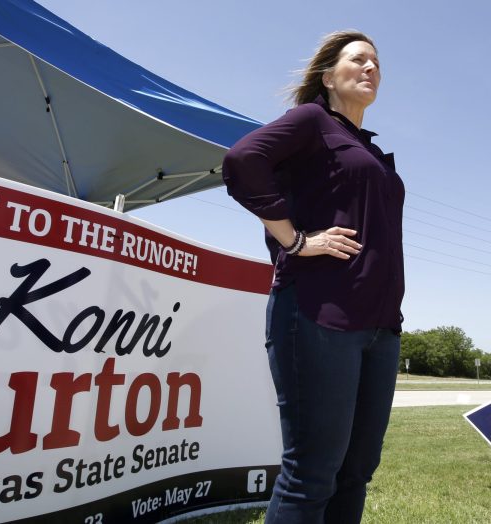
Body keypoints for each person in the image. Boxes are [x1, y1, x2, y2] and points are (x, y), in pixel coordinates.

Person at [222, 31, 404, 523]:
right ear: (327, 76)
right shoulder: (312, 121)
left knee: (357, 470)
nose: (371, 68)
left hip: (381, 327)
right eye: (358, 59)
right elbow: (242, 161)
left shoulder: (362, 145)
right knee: (312, 473)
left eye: (377, 63)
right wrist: (297, 240)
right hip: (318, 313)